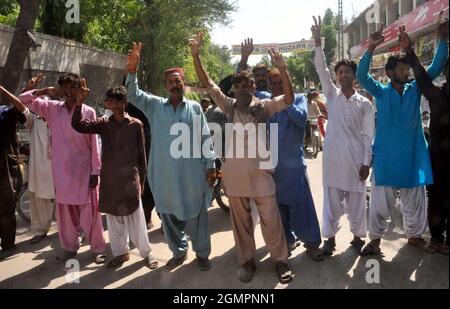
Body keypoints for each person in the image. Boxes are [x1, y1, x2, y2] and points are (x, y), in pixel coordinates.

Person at [190, 33, 294, 284]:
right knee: (241, 223)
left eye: (245, 86)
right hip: (236, 177)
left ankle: (280, 260)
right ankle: (247, 262)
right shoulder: (228, 106)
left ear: (253, 88)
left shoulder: (265, 106)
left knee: (271, 220)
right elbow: (208, 84)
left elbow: (289, 99)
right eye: (237, 87)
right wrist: (196, 56)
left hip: (261, 175)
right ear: (234, 90)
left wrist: (282, 68)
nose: (241, 90)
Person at [357, 18, 448, 255]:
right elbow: (362, 76)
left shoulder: (415, 88)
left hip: (412, 156)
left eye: (407, 68)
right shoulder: (380, 92)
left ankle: (415, 236)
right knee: (379, 204)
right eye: (402, 68)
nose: (406, 71)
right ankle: (375, 239)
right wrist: (370, 48)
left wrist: (443, 39)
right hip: (386, 159)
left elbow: (436, 67)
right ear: (389, 73)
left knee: (415, 202)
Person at [125, 42, 216, 271]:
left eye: (179, 81)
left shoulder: (195, 108)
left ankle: (202, 254)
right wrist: (132, 70)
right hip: (164, 175)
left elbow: (205, 137)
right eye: (172, 82)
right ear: (165, 86)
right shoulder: (155, 106)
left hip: (192, 176)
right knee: (168, 217)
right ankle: (178, 252)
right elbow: (133, 95)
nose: (176, 84)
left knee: (197, 216)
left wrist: (211, 165)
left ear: (184, 84)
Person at [19, 73, 107, 264]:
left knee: (91, 215)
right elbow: (24, 100)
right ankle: (69, 247)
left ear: (79, 89)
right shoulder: (52, 109)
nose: (68, 92)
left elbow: (95, 144)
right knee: (65, 215)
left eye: (72, 87)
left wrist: (96, 171)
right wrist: (42, 90)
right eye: (65, 88)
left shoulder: (88, 112)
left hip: (85, 173)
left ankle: (98, 248)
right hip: (62, 174)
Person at [72, 85, 159, 268]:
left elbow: (142, 156)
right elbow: (78, 125)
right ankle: (121, 253)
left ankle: (146, 254)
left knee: (137, 219)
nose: (109, 103)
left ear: (123, 103)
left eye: (112, 100)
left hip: (130, 180)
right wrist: (79, 103)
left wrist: (142, 181)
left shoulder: (136, 125)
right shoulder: (104, 124)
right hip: (111, 180)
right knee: (113, 220)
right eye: (108, 100)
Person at [312, 16, 375, 255]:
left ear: (354, 75)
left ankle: (358, 238)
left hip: (355, 163)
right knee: (331, 204)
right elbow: (321, 69)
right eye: (340, 72)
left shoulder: (364, 104)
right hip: (332, 162)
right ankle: (329, 240)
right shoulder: (330, 95)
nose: (343, 75)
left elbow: (368, 135)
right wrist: (318, 43)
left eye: (347, 71)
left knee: (357, 203)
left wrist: (366, 163)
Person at [268, 68, 324, 261]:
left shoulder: (298, 99)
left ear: (287, 82)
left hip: (294, 168)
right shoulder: (266, 103)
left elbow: (301, 119)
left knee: (303, 206)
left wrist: (285, 101)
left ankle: (312, 244)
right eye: (273, 84)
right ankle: (288, 240)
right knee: (279, 209)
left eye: (281, 82)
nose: (277, 87)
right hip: (273, 168)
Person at [403, 24, 449, 255]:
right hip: (439, 158)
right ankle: (437, 239)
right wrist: (410, 53)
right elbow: (421, 78)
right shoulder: (437, 94)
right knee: (438, 198)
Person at [0, 86, 27, 259]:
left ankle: (8, 246)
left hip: (5, 168)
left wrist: (2, 90)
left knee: (6, 208)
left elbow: (20, 108)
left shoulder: (5, 112)